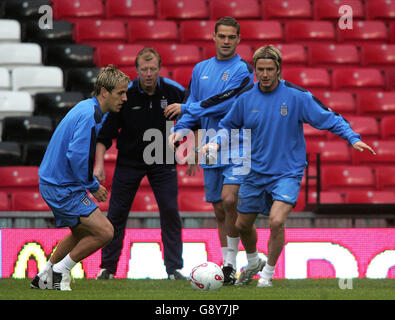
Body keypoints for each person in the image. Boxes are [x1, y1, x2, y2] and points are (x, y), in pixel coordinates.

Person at [201, 45, 376, 287]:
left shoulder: (296, 97)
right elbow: (227, 125)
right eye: (260, 69)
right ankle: (253, 262)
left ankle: (267, 276)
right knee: (241, 225)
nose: (264, 74)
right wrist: (215, 144)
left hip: (287, 173)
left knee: (276, 221)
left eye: (269, 69)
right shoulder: (246, 98)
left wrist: (353, 138)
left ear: (278, 70)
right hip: (254, 172)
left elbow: (330, 118)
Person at [165, 16, 254, 285]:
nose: (226, 41)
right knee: (218, 207)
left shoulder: (243, 69)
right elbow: (192, 102)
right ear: (214, 37)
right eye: (222, 36)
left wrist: (187, 110)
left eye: (231, 37)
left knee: (230, 201)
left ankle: (233, 263)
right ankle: (235, 265)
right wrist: (180, 130)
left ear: (238, 40)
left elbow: (225, 103)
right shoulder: (200, 69)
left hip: (236, 142)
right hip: (209, 147)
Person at [31, 65, 130, 291]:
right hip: (62, 186)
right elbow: (76, 155)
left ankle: (44, 275)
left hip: (56, 182)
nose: (124, 98)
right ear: (104, 92)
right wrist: (92, 186)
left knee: (81, 231)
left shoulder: (87, 108)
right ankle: (60, 272)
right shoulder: (89, 114)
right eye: (120, 93)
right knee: (105, 232)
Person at [94, 48, 186, 280]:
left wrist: (193, 147)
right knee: (116, 213)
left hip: (163, 161)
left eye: (152, 69)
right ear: (136, 70)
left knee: (170, 212)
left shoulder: (174, 92)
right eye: (143, 69)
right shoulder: (126, 95)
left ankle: (174, 269)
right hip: (129, 161)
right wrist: (99, 165)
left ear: (159, 69)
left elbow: (195, 116)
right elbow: (104, 135)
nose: (148, 73)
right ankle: (108, 268)